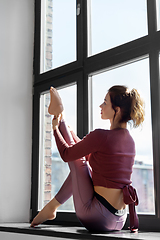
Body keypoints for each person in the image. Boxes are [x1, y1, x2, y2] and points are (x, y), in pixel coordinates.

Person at [30, 85, 144, 232]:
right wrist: (70, 134)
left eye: (105, 102)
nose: (100, 105)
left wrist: (55, 128)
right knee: (83, 165)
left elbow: (67, 154)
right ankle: (51, 208)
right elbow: (89, 155)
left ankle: (60, 114)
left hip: (97, 217)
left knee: (79, 165)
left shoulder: (101, 136)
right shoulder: (130, 141)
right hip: (120, 219)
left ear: (117, 110)